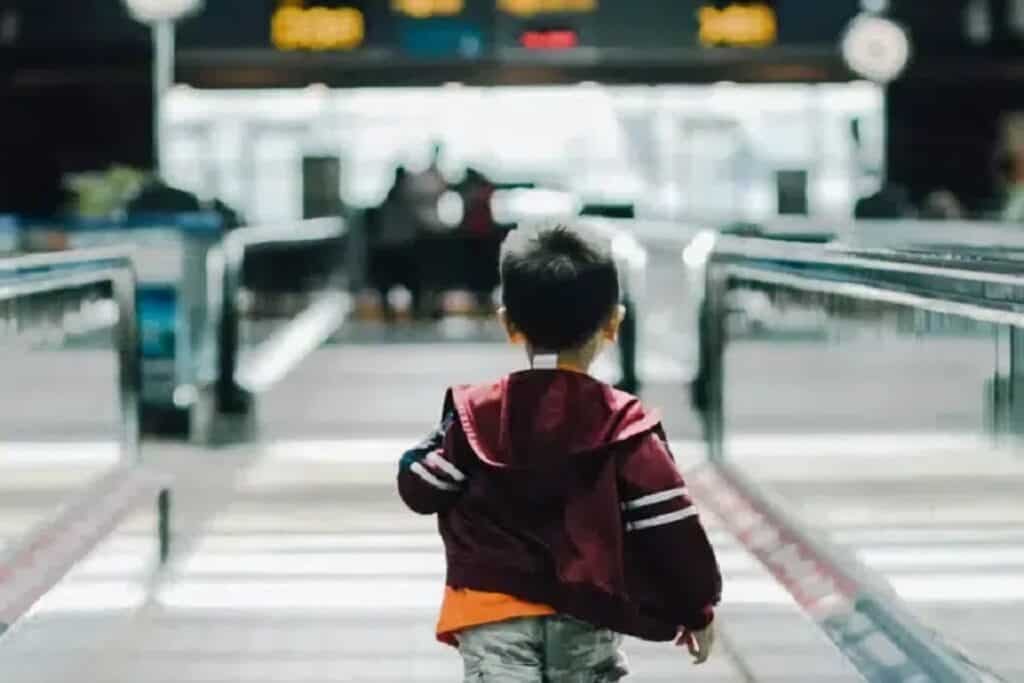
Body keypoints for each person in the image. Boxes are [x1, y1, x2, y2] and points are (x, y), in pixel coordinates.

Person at [396, 224, 722, 681]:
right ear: (613, 324)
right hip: (586, 609)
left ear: (509, 323)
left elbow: (424, 489)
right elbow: (670, 525)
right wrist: (696, 608)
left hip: (493, 612)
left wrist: (420, 453)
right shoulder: (625, 424)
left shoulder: (479, 414)